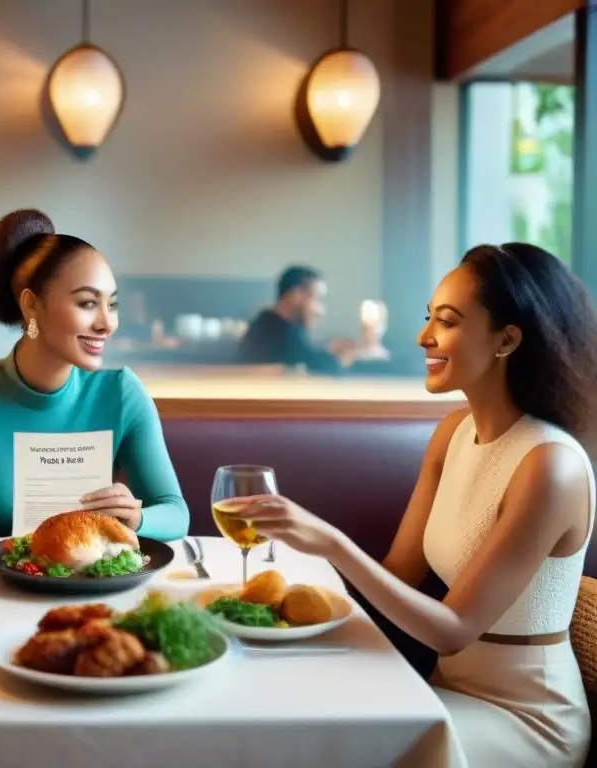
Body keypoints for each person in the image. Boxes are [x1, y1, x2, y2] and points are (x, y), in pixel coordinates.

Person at [237, 243, 597, 767]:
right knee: (286, 716)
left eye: (446, 322)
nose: (423, 337)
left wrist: (331, 544)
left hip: (526, 718)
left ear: (507, 340)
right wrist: (282, 613)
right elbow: (400, 575)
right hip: (440, 693)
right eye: (429, 318)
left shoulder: (550, 466)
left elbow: (452, 632)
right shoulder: (453, 432)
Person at [0, 208, 188, 541]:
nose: (107, 323)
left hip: (91, 585)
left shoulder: (121, 392)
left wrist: (136, 518)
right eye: (87, 303)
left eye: (111, 304)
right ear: (31, 306)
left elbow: (175, 513)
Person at [239, 265, 358, 371]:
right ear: (296, 296)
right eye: (315, 298)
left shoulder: (275, 323)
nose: (319, 309)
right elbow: (313, 364)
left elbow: (305, 352)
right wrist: (340, 360)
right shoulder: (274, 330)